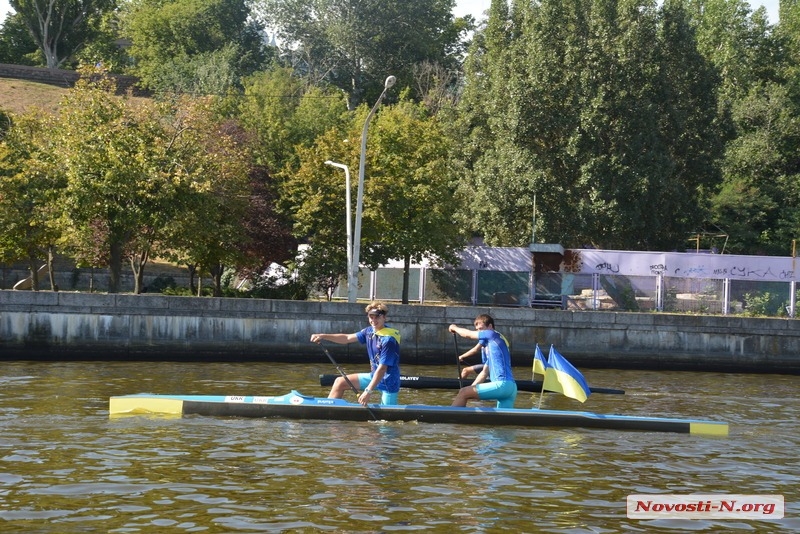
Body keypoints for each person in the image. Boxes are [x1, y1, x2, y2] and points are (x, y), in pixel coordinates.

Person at [310, 301, 401, 406]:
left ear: (384, 317)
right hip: (373, 376)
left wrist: (367, 391)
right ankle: (328, 410)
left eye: (377, 317)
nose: (374, 320)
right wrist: (323, 336)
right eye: (371, 317)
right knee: (340, 382)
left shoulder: (388, 340)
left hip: (388, 382)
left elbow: (382, 369)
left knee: (385, 420)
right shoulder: (369, 331)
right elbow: (347, 338)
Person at [449, 314, 517, 408]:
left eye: (481, 329)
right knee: (502, 421)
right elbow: (484, 373)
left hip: (501, 385)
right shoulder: (494, 348)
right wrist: (470, 390)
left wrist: (454, 327)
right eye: (477, 329)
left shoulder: (491, 334)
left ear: (490, 326)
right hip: (511, 388)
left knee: (463, 392)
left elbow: (467, 334)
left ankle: (450, 420)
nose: (479, 332)